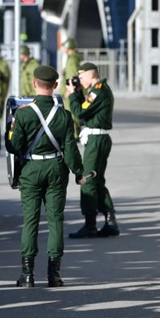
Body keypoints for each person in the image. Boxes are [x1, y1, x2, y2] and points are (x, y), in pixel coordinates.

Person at [6, 65, 84, 288]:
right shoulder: (64, 115)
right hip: (56, 169)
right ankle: (54, 274)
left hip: (31, 170)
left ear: (34, 84)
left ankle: (28, 275)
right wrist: (78, 173)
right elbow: (70, 149)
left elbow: (16, 147)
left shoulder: (22, 114)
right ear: (56, 86)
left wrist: (6, 137)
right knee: (55, 220)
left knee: (30, 220)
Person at [66, 62, 119, 238]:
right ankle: (110, 221)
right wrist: (78, 92)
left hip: (97, 140)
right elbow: (87, 110)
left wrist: (72, 95)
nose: (80, 81)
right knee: (96, 180)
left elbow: (80, 112)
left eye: (81, 78)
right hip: (98, 138)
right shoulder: (96, 90)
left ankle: (90, 224)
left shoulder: (98, 91)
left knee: (87, 180)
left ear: (91, 75)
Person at [62, 38, 82, 139]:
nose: (63, 49)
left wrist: (69, 90)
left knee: (71, 112)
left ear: (68, 47)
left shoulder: (72, 59)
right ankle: (76, 132)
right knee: (72, 111)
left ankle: (74, 134)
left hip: (70, 90)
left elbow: (73, 76)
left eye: (64, 47)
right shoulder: (72, 58)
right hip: (71, 89)